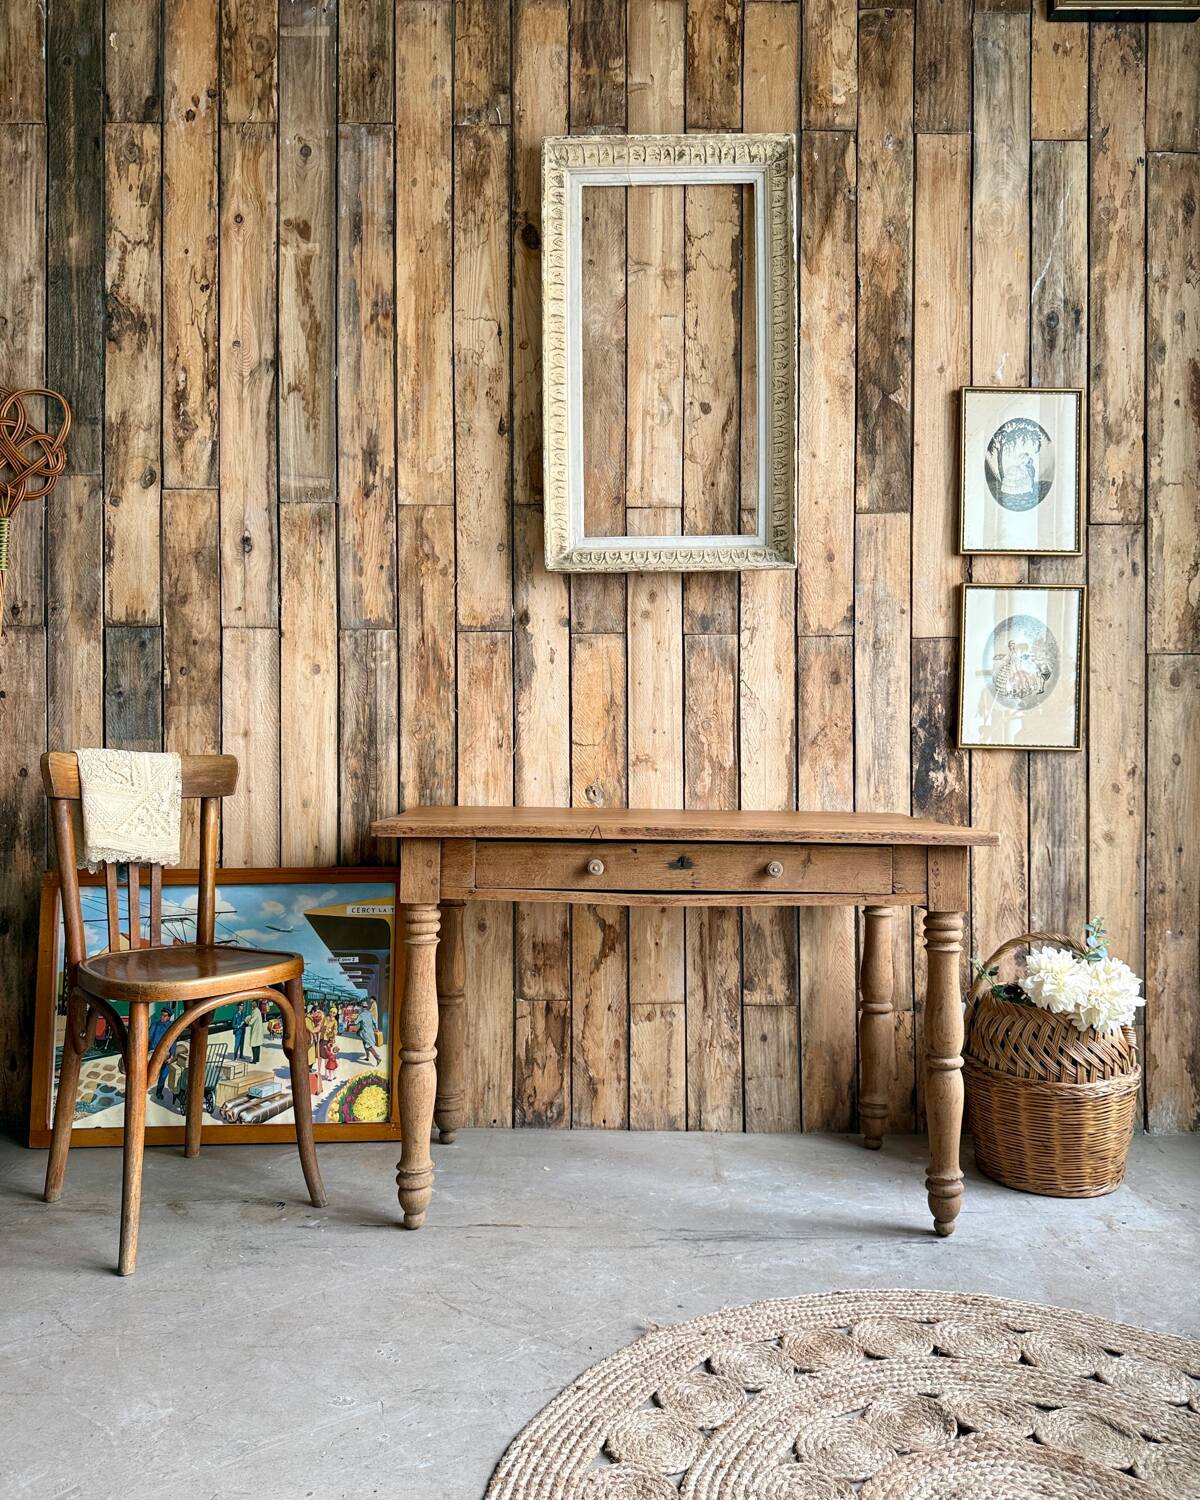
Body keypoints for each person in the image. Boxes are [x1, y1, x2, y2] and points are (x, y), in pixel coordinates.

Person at [147, 1006, 175, 1101]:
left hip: (165, 1054)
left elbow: (173, 1042)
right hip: (153, 1052)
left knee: (164, 1074)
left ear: (169, 1017)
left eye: (165, 1016)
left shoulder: (171, 1027)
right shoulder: (155, 1025)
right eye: (161, 1015)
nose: (162, 1017)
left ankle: (159, 1091)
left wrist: (172, 1055)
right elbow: (148, 1038)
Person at [356, 1002, 380, 1067]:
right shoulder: (370, 1014)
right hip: (370, 1032)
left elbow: (356, 1022)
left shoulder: (361, 1015)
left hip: (364, 1033)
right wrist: (376, 1028)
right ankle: (367, 1057)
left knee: (368, 1045)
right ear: (366, 1007)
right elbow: (374, 1022)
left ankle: (377, 1058)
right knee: (365, 1044)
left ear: (362, 1007)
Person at [245, 999, 264, 1065]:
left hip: (256, 1031)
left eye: (252, 1004)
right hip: (257, 1030)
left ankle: (254, 1060)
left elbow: (252, 1021)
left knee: (254, 1045)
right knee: (257, 1045)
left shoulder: (255, 1011)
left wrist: (247, 1022)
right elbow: (252, 1016)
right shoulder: (256, 1010)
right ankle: (257, 1058)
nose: (251, 1005)